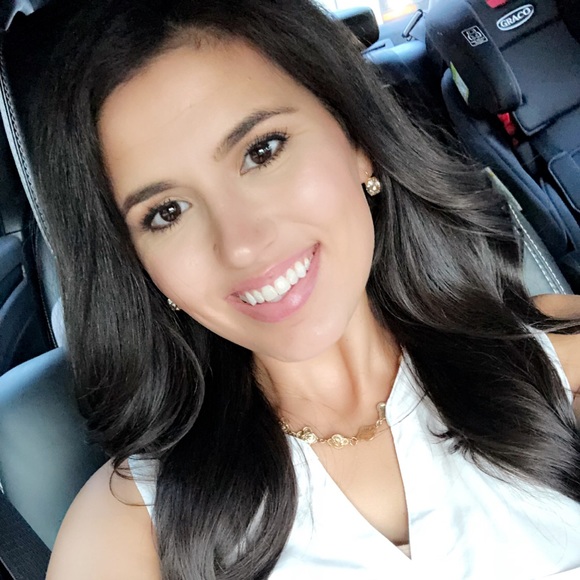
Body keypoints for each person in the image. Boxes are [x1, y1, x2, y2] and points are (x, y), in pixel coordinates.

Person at [29, 0, 580, 578]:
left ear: (357, 140)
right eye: (167, 212)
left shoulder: (557, 363)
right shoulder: (131, 528)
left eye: (261, 151)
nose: (242, 245)